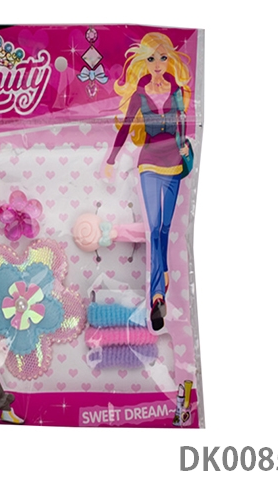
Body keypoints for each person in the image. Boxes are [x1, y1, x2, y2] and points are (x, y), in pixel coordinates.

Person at [104, 32, 194, 333]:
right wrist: (111, 160)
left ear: (169, 60)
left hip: (174, 163)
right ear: (144, 62)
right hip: (148, 164)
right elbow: (125, 128)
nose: (157, 64)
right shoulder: (139, 95)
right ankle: (157, 297)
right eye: (152, 58)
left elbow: (183, 126)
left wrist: (185, 147)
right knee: (153, 227)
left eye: (163, 58)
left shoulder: (179, 92)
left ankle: (163, 271)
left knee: (165, 228)